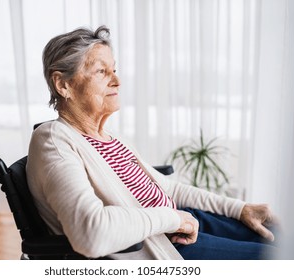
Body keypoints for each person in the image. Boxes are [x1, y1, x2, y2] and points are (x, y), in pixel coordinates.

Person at [26, 25, 277, 260]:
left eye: (114, 69)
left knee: (280, 238)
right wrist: (173, 219)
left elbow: (168, 189)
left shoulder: (108, 138)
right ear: (63, 84)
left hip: (178, 223)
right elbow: (90, 234)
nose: (117, 80)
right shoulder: (54, 141)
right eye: (102, 71)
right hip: (164, 248)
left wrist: (240, 208)